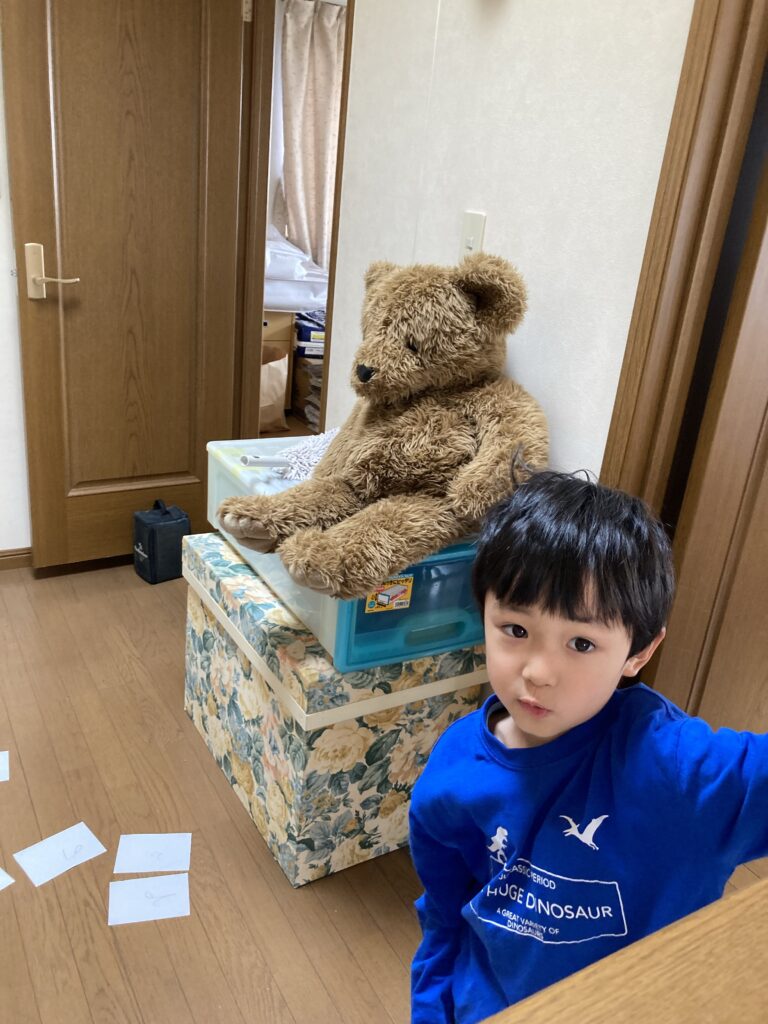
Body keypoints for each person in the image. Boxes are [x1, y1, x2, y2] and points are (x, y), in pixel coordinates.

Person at [409, 470, 768, 1024]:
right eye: (515, 629)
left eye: (581, 642)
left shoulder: (675, 766)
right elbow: (444, 915)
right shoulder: (454, 769)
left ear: (639, 653)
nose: (538, 672)